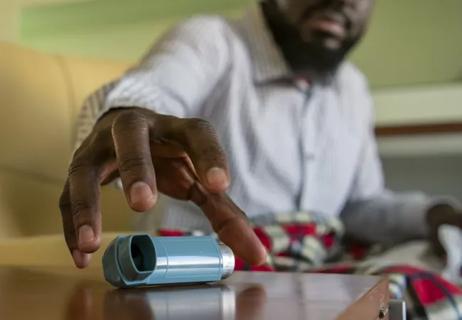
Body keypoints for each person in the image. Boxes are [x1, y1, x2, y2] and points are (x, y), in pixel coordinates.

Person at [59, 0, 462, 269]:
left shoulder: (352, 88)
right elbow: (151, 90)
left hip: (316, 273)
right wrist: (124, 114)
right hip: (211, 275)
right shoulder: (212, 40)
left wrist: (435, 214)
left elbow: (356, 207)